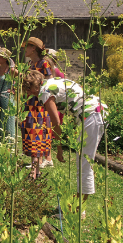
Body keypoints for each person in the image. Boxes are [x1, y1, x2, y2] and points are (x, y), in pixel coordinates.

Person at [41, 75, 108, 217]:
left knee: (85, 163)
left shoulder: (44, 91)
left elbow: (56, 123)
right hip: (95, 110)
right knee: (83, 162)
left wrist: (59, 149)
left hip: (91, 115)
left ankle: (78, 211)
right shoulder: (52, 81)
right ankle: (76, 206)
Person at [20, 71, 58, 180]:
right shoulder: (30, 93)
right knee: (34, 144)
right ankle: (37, 171)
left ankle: (34, 172)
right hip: (31, 117)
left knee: (36, 144)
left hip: (38, 118)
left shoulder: (44, 93)